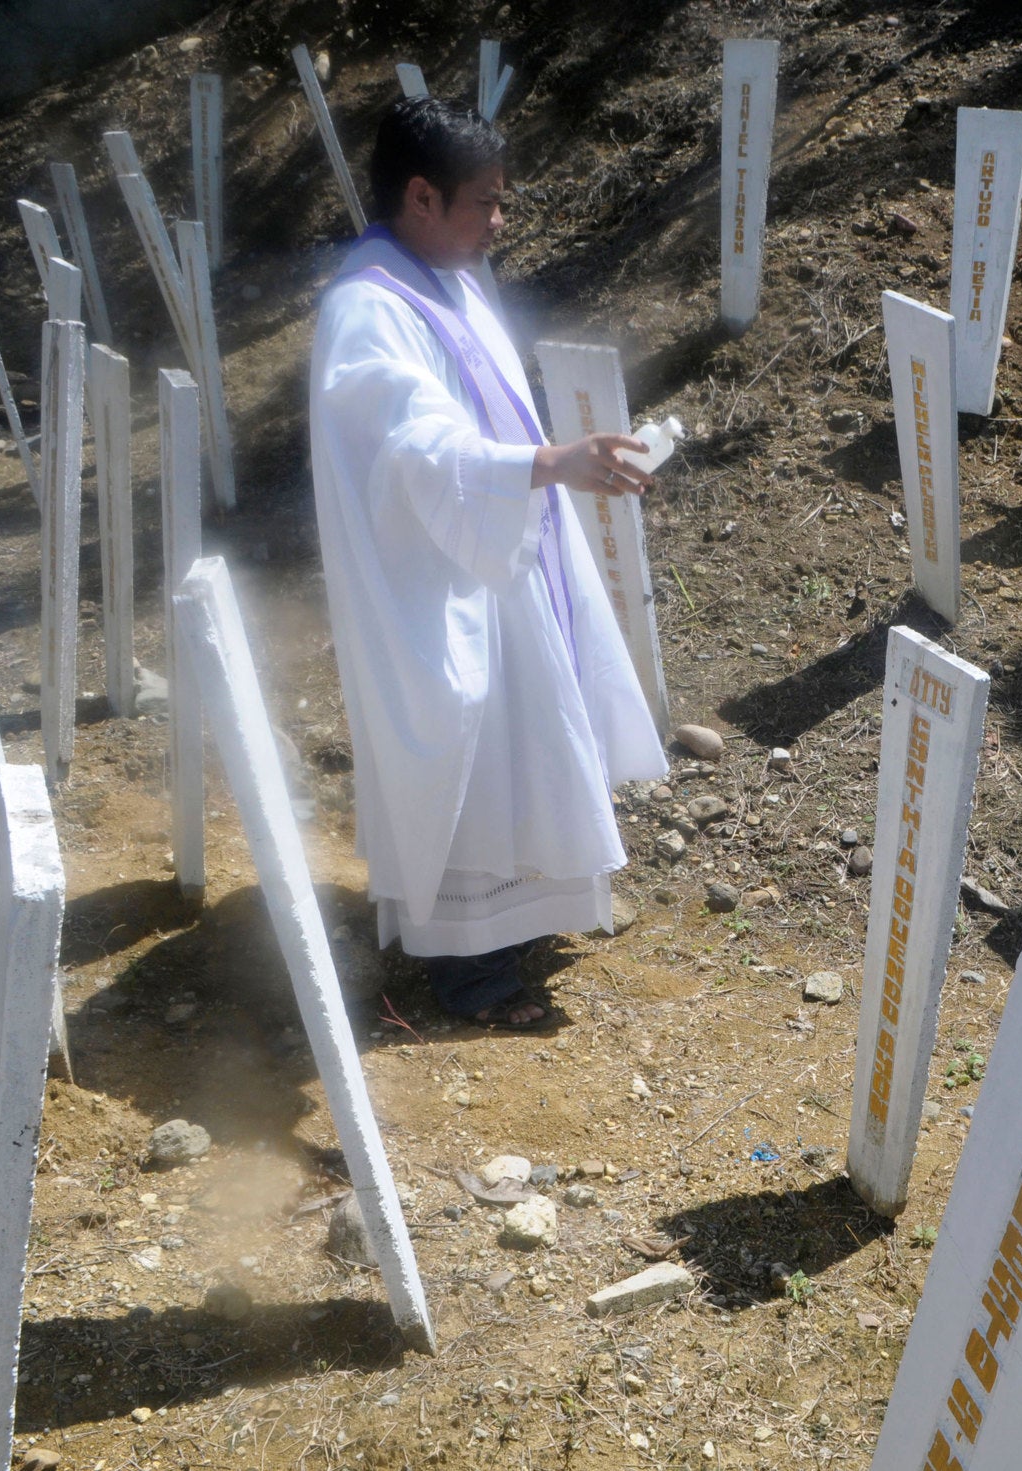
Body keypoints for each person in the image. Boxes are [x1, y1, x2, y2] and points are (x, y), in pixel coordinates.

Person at [309, 97, 667, 1028]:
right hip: (436, 579)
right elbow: (414, 447)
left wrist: (542, 476)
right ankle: (467, 964)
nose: (499, 222)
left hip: (503, 547)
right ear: (421, 197)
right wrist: (548, 466)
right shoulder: (364, 309)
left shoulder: (450, 272)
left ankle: (524, 918)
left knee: (528, 737)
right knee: (467, 741)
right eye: (486, 203)